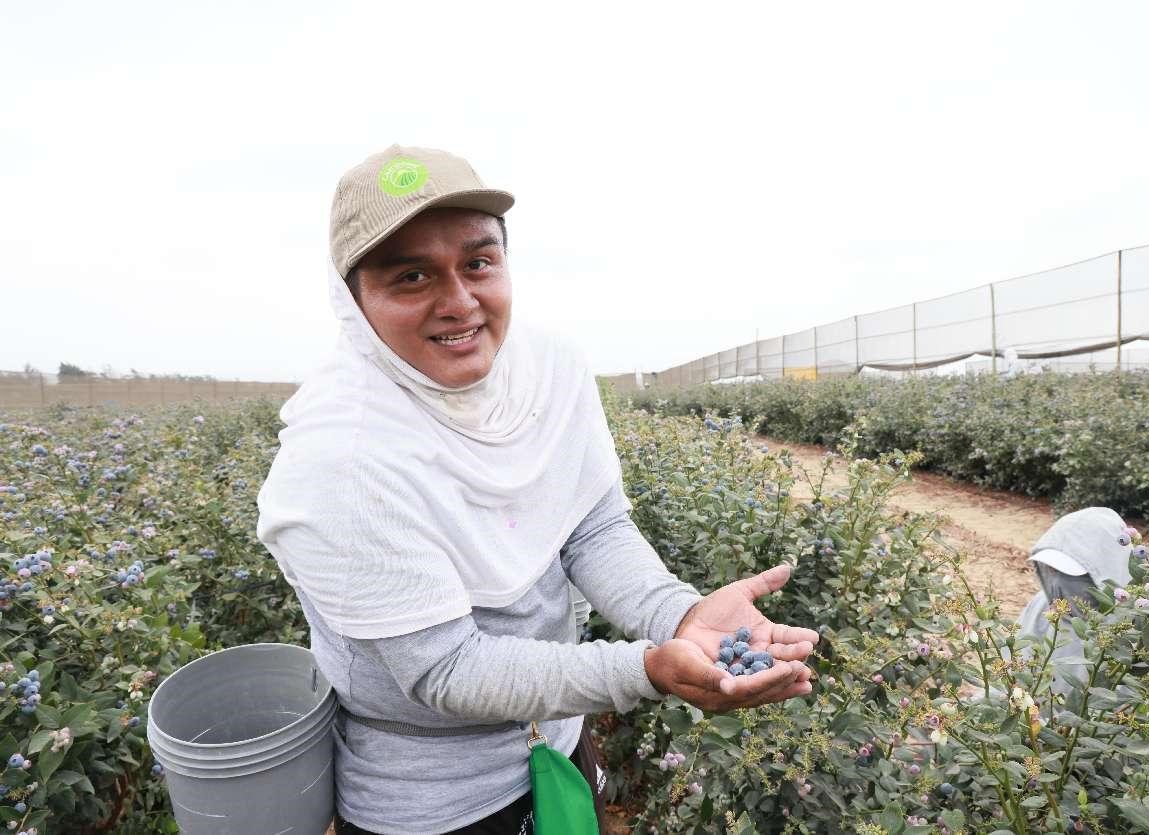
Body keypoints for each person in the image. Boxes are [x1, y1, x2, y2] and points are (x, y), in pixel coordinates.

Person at [255, 145, 818, 834]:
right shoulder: (339, 460)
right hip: (436, 803)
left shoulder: (547, 371)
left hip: (552, 739)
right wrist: (648, 666)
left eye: (478, 262)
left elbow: (593, 528)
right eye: (411, 275)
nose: (458, 301)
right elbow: (448, 669)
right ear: (355, 299)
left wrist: (678, 616)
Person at [1014, 506, 1133, 698]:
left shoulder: (1135, 628)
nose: (1058, 582)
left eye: (1069, 574)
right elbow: (1010, 673)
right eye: (1052, 570)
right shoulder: (1043, 607)